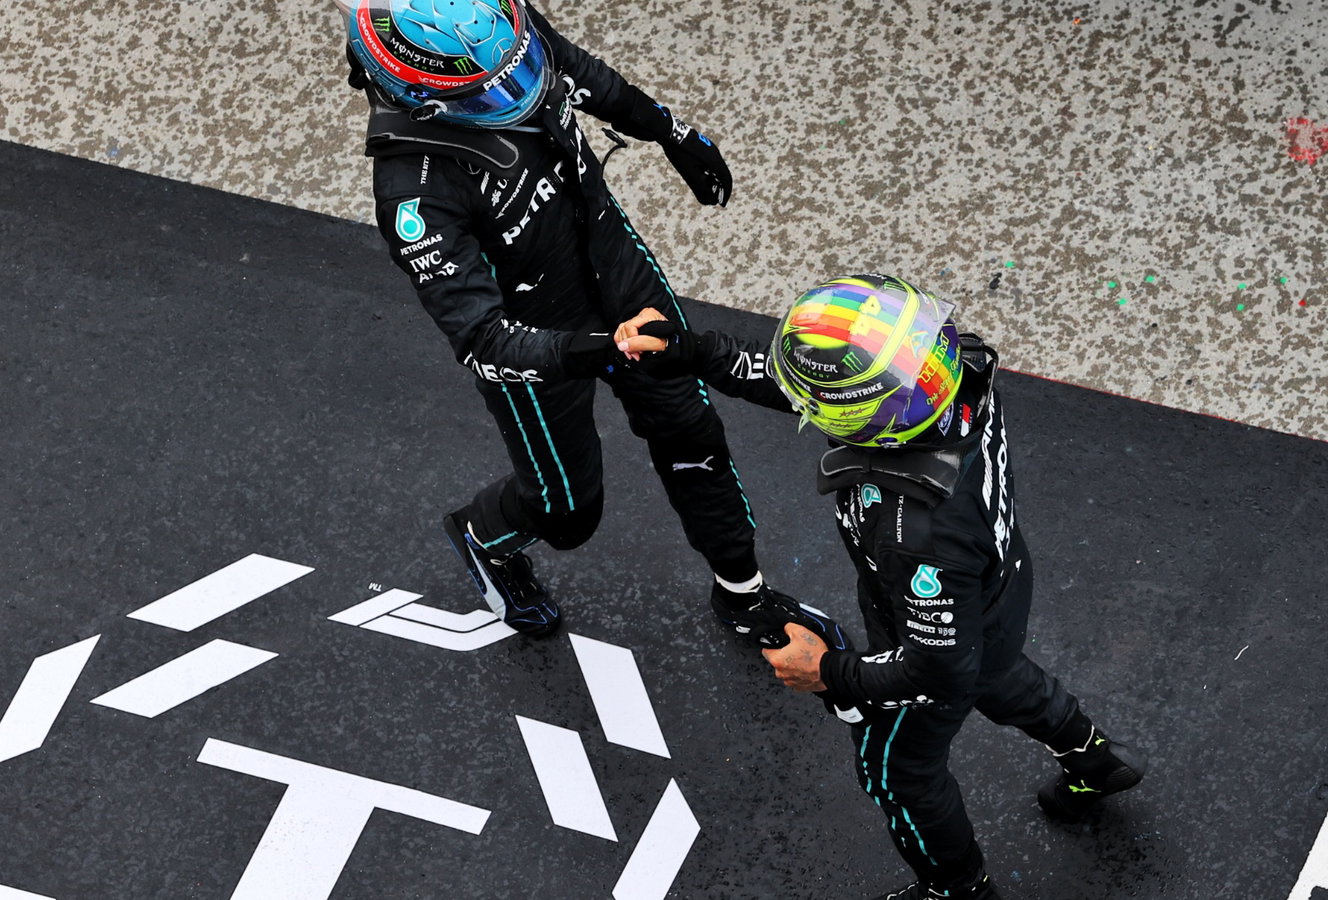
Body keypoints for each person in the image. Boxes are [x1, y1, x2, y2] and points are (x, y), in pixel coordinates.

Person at [615, 274, 1149, 900]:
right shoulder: (953, 366)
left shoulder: (912, 530)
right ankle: (1093, 760)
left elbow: (938, 670)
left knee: (898, 773)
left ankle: (956, 890)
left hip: (929, 629)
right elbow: (830, 389)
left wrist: (831, 670)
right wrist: (695, 352)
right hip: (996, 590)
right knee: (1000, 672)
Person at [336, 0, 842, 649]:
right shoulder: (413, 194)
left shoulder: (497, 28)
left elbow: (573, 70)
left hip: (611, 260)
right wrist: (598, 352)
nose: (521, 88)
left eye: (516, 68)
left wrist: (669, 131)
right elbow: (481, 341)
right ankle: (483, 535)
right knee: (569, 513)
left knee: (690, 426)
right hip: (539, 341)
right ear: (424, 98)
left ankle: (743, 596)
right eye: (493, 87)